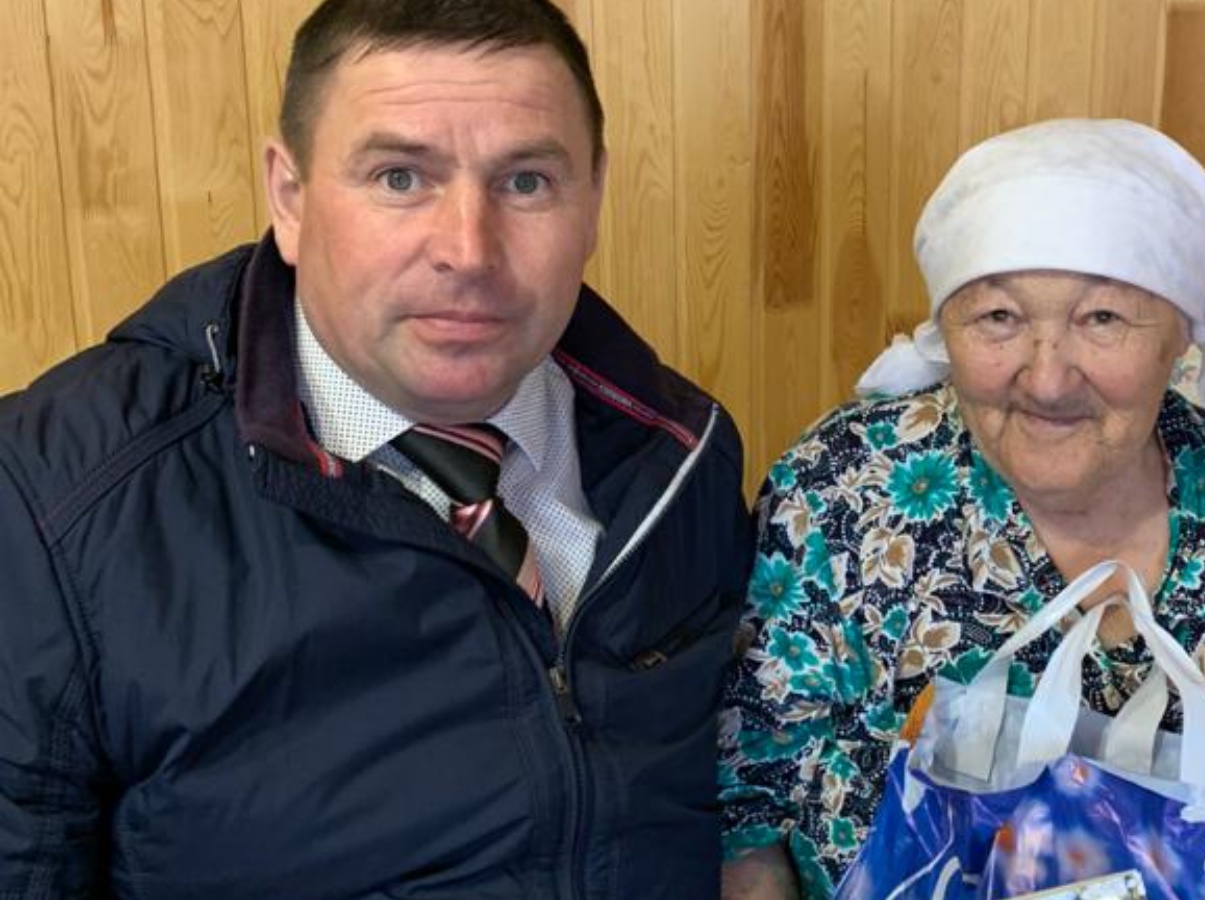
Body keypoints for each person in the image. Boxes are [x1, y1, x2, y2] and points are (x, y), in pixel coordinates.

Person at [0, 1, 751, 897]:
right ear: (290, 197)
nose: (468, 251)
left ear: (592, 198)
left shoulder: (683, 453)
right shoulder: (51, 504)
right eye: (400, 177)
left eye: (526, 182)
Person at [719, 119, 1205, 900]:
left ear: (1179, 337)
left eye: (1103, 319)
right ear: (945, 329)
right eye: (998, 318)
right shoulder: (839, 495)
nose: (1047, 380)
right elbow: (745, 819)